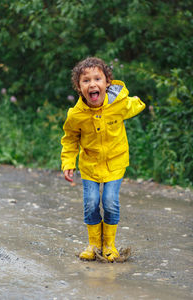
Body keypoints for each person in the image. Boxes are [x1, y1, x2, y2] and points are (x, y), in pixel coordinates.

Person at [61, 57, 145, 262]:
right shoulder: (76, 115)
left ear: (107, 83)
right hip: (89, 165)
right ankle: (93, 244)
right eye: (86, 81)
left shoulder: (118, 104)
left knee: (109, 202)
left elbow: (135, 105)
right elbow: (70, 139)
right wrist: (68, 163)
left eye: (97, 78)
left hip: (115, 163)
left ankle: (109, 245)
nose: (92, 84)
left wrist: (137, 102)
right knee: (91, 203)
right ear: (79, 88)